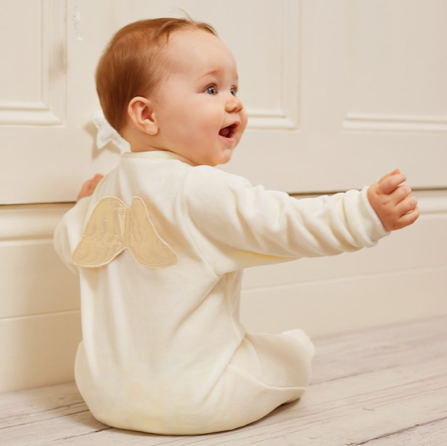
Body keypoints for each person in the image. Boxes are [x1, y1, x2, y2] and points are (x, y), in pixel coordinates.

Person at [53, 17, 420, 436]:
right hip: (196, 400)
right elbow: (286, 224)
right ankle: (294, 351)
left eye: (234, 88)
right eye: (211, 89)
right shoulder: (198, 188)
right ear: (146, 115)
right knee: (287, 357)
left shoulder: (104, 199)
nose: (234, 103)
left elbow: (69, 245)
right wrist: (364, 213)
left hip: (104, 397)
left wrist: (82, 206)